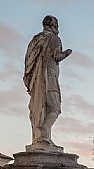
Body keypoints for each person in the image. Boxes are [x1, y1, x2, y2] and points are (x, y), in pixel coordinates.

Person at [23, 15, 72, 148]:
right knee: (55, 108)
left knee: (41, 108)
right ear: (53, 25)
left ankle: (41, 138)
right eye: (57, 24)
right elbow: (57, 56)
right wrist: (67, 52)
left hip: (37, 78)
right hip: (49, 78)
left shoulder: (36, 39)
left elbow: (28, 61)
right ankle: (43, 134)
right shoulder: (54, 38)